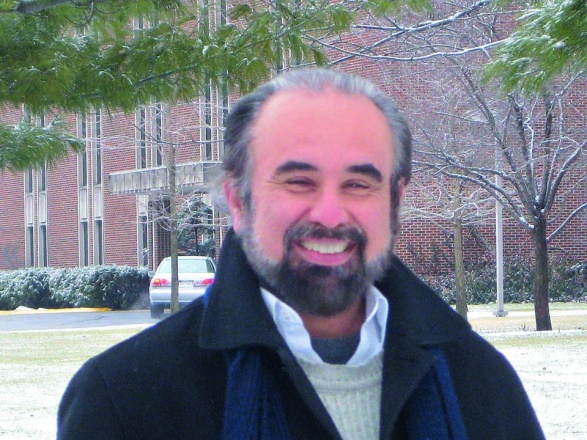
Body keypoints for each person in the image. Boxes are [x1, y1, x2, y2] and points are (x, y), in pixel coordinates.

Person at [57, 68, 545, 440]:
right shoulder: (125, 401)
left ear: (394, 201)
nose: (330, 214)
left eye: (358, 184)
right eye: (298, 181)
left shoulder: (479, 382)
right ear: (237, 200)